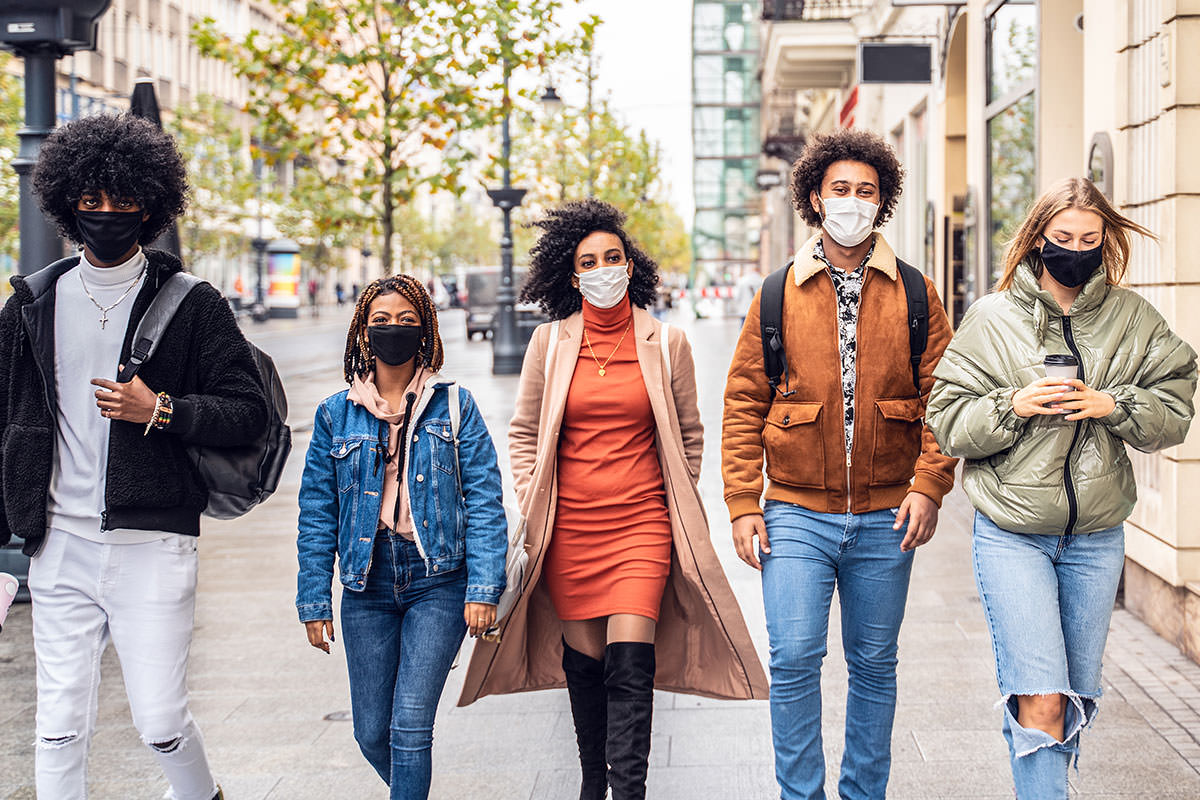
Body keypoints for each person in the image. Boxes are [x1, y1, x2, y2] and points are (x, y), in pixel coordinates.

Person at [459, 199, 767, 800]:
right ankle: (590, 786)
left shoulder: (666, 341)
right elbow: (524, 432)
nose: (604, 268)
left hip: (642, 527)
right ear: (572, 276)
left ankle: (627, 792)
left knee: (631, 665)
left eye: (614, 257)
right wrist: (529, 492)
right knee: (588, 669)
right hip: (569, 530)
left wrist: (673, 488)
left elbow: (689, 430)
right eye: (590, 261)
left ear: (631, 265)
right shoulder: (549, 343)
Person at [0, 113, 269, 800]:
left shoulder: (192, 304)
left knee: (159, 723)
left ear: (150, 206)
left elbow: (248, 413)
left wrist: (163, 410)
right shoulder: (31, 303)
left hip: (153, 542)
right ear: (68, 204)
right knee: (58, 728)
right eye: (91, 202)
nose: (107, 215)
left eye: (123, 202)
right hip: (58, 543)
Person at [926, 177, 1197, 799]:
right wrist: (1013, 404)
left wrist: (1113, 403)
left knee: (1074, 698)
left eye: (1089, 239)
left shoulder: (1133, 318)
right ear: (1037, 240)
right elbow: (945, 420)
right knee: (1042, 700)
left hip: (1096, 540)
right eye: (1062, 238)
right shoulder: (992, 319)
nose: (1075, 250)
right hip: (1014, 536)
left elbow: (1174, 409)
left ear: (1107, 242)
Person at [721, 129, 958, 800]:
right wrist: (743, 502)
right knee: (794, 660)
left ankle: (862, 794)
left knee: (874, 665)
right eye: (839, 190)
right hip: (795, 511)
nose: (852, 202)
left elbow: (949, 398)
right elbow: (743, 402)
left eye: (866, 191)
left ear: (882, 203)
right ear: (814, 199)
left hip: (888, 517)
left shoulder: (916, 293)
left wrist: (930, 486)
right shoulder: (776, 294)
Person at [296, 275, 508, 800]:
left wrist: (483, 588)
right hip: (366, 585)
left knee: (410, 725)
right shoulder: (333, 414)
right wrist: (313, 598)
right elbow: (317, 512)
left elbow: (484, 499)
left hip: (438, 580)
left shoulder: (455, 406)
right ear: (364, 331)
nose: (395, 331)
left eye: (408, 322)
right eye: (382, 322)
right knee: (371, 732)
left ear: (427, 331)